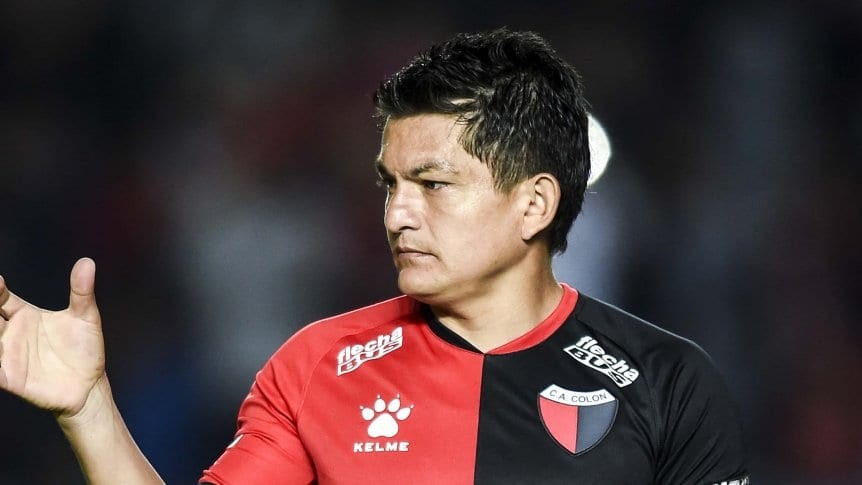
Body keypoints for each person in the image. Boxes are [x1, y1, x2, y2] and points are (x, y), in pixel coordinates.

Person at [0, 29, 749, 484]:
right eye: (390, 183)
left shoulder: (668, 384)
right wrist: (88, 410)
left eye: (433, 184)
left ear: (534, 204)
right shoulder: (316, 369)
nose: (396, 213)